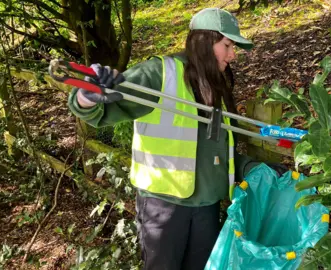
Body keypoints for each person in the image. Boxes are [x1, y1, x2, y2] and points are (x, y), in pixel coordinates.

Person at [68, 7, 288, 270]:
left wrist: (249, 167)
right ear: (204, 41)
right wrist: (87, 95)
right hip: (163, 208)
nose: (233, 55)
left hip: (207, 206)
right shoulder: (160, 73)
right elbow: (99, 110)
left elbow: (216, 150)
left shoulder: (215, 85)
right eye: (228, 44)